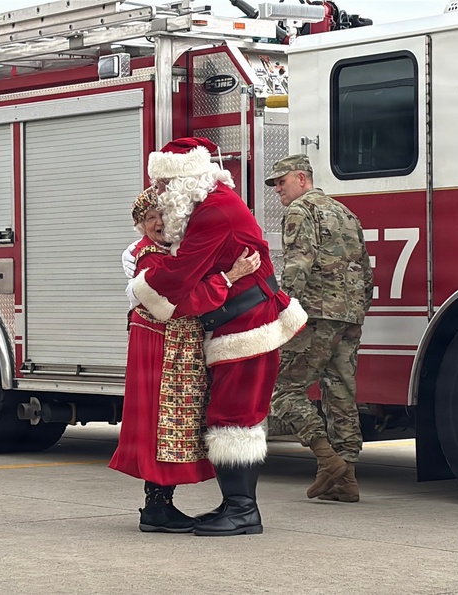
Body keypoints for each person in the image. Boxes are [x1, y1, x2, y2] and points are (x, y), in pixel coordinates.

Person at [129, 137, 307, 536]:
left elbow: (179, 275)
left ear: (181, 182)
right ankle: (234, 505)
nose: (157, 195)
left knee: (235, 418)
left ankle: (243, 511)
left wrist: (142, 284)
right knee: (230, 415)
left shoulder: (213, 211)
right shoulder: (213, 203)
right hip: (240, 322)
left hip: (248, 325)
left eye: (161, 186)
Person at [109, 187, 261, 533]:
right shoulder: (150, 257)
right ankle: (157, 508)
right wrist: (231, 277)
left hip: (172, 345)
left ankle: (159, 505)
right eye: (151, 218)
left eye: (163, 214)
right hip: (163, 347)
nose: (159, 223)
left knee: (169, 423)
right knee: (162, 421)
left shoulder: (168, 251)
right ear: (140, 225)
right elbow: (183, 300)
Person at [265, 154, 373, 503]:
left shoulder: (300, 210)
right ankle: (348, 479)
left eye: (281, 181)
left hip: (316, 314)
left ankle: (328, 460)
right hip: (349, 315)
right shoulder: (346, 212)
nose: (277, 188)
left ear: (301, 177)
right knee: (340, 391)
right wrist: (357, 310)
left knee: (284, 389)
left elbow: (298, 263)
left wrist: (283, 311)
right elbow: (365, 268)